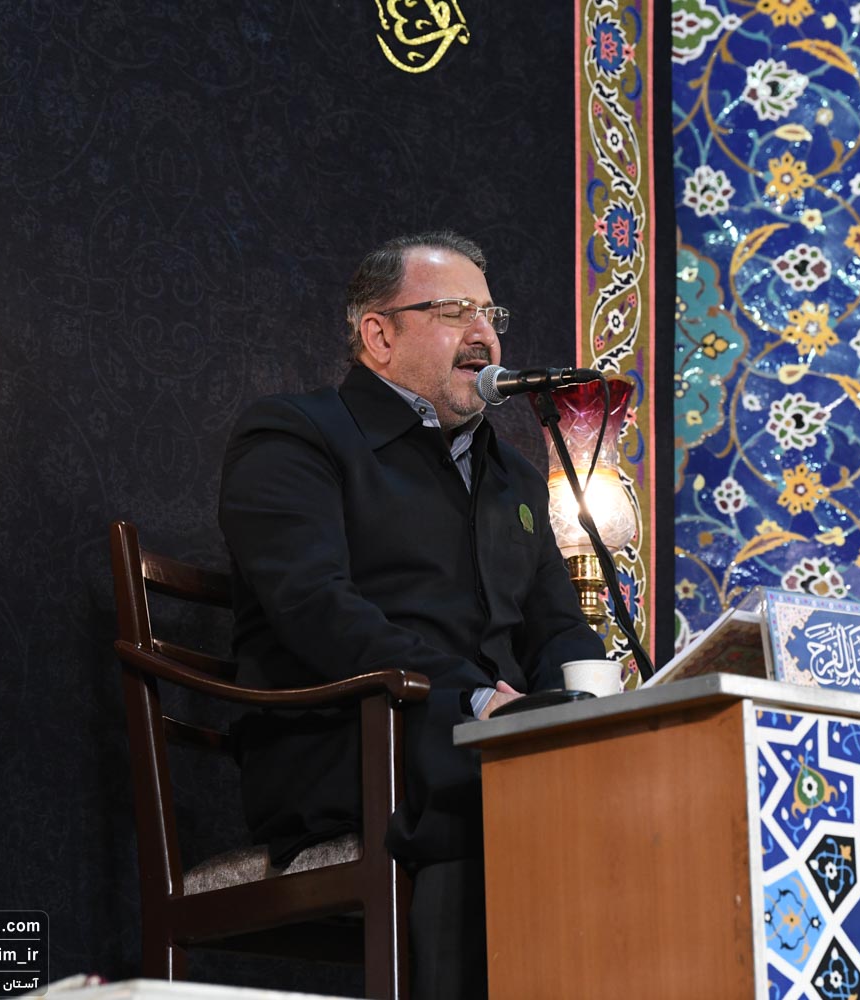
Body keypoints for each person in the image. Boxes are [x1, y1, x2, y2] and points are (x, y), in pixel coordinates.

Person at [218, 231, 606, 998]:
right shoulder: (295, 436)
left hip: (493, 736)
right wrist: (473, 699)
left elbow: (557, 625)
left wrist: (599, 704)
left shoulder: (515, 477)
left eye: (491, 313)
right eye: (454, 311)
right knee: (486, 788)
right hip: (352, 739)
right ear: (379, 335)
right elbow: (316, 608)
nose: (484, 332)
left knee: (638, 784)